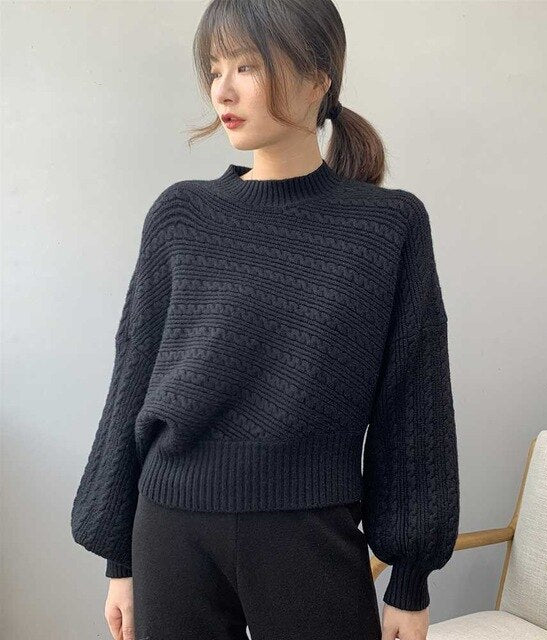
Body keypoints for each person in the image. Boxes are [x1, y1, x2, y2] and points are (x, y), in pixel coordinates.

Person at [70, 1, 460, 639]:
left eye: (246, 66)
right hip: (169, 531)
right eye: (214, 68)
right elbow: (132, 382)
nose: (221, 90)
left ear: (317, 78)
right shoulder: (181, 215)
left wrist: (409, 581)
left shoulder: (388, 227)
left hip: (309, 533)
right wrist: (122, 559)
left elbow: (414, 402)